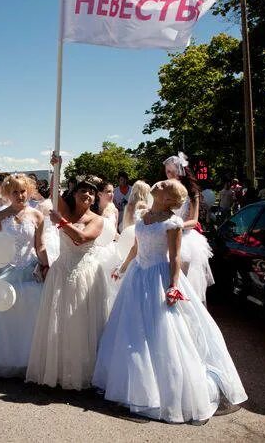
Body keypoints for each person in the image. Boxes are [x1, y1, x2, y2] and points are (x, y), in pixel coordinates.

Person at [94, 179, 247, 424]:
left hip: (158, 276)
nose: (160, 183)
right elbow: (135, 246)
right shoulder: (144, 216)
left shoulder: (172, 222)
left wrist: (173, 285)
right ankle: (132, 383)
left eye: (165, 184)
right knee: (132, 329)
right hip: (137, 275)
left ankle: (165, 389)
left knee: (160, 330)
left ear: (168, 198)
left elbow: (174, 257)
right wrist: (122, 268)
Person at [25, 173, 110, 391]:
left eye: (92, 193)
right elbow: (54, 193)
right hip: (61, 270)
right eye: (84, 191)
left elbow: (81, 238)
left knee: (81, 321)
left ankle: (84, 372)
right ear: (74, 193)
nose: (88, 195)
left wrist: (62, 223)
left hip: (85, 272)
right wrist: (56, 167)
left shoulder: (97, 220)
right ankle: (59, 369)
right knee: (59, 319)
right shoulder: (66, 210)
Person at [0, 174, 47, 378]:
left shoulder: (37, 216)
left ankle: (27, 361)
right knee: (1, 312)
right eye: (15, 192)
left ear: (29, 191)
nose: (20, 195)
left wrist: (46, 265)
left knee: (30, 315)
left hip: (30, 270)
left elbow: (39, 246)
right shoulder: (0, 217)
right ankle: (7, 359)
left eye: (23, 191)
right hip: (8, 271)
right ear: (7, 194)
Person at [163, 153, 214, 305]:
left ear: (181, 171)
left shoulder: (192, 193)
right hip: (165, 235)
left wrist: (177, 224)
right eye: (167, 172)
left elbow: (194, 220)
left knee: (182, 282)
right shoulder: (163, 190)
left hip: (185, 237)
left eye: (173, 171)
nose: (170, 175)